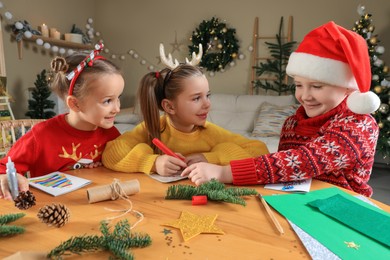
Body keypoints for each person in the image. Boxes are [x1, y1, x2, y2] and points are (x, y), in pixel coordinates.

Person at [181, 21, 380, 197]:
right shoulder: (292, 123)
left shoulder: (358, 125)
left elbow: (301, 162)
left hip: (344, 211)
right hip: (296, 204)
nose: (305, 95)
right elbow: (280, 172)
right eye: (299, 85)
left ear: (347, 86)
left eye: (317, 86)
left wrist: (224, 173)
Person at [102, 44, 269, 176]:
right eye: (196, 98)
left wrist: (210, 158)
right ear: (169, 106)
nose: (207, 104)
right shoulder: (151, 128)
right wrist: (153, 163)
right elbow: (111, 153)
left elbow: (259, 150)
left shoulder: (210, 132)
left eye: (207, 96)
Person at [0, 43, 124, 200]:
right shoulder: (42, 135)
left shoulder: (111, 134)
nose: (117, 109)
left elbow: (124, 161)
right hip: (53, 210)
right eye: (108, 101)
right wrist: (5, 178)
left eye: (117, 98)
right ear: (75, 104)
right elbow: (4, 167)